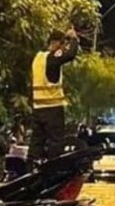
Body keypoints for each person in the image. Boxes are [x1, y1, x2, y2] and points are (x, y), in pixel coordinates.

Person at [29, 28, 79, 162]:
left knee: (36, 142)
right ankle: (54, 169)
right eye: (63, 44)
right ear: (56, 43)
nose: (63, 48)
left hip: (37, 108)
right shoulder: (52, 59)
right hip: (53, 108)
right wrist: (74, 39)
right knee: (55, 143)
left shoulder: (38, 58)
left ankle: (30, 168)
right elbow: (70, 55)